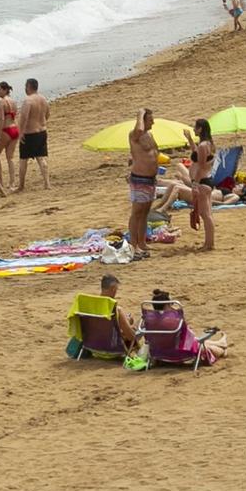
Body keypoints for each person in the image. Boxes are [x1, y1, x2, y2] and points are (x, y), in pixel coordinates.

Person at [127, 108, 160, 257]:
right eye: (150, 119)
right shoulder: (135, 135)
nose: (153, 121)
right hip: (140, 179)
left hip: (150, 179)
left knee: (145, 212)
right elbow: (139, 129)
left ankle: (142, 242)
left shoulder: (150, 135)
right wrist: (140, 113)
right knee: (137, 212)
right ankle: (133, 244)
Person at [17, 77, 50, 191]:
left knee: (23, 159)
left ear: (29, 87)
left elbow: (24, 117)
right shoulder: (43, 98)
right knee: (41, 158)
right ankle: (47, 183)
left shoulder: (28, 100)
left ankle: (21, 185)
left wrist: (21, 133)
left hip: (30, 133)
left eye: (25, 86)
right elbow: (47, 114)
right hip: (42, 131)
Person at [189, 120, 217, 251]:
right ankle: (209, 242)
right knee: (208, 214)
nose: (194, 129)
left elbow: (200, 166)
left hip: (203, 181)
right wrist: (189, 139)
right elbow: (198, 157)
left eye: (195, 127)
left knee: (205, 215)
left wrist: (195, 183)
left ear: (200, 129)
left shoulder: (202, 146)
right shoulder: (209, 144)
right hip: (208, 179)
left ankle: (209, 244)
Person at [96, 273, 138, 350]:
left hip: (95, 345)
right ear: (113, 289)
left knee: (128, 319)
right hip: (112, 348)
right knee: (138, 328)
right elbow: (131, 337)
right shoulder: (116, 309)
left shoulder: (91, 305)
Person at [0, 81, 20, 191]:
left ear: (4, 90)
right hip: (15, 128)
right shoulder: (13, 101)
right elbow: (14, 115)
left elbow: (1, 119)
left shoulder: (2, 102)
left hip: (6, 129)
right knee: (10, 158)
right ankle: (12, 183)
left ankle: (0, 183)